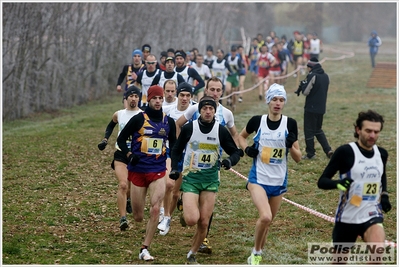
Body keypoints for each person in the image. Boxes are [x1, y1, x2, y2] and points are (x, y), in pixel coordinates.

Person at [170, 96, 243, 264]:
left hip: (210, 179)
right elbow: (176, 149)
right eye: (204, 109)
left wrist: (229, 161)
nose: (208, 111)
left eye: (211, 109)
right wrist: (175, 168)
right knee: (191, 220)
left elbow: (236, 152)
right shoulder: (190, 128)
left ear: (215, 111)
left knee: (204, 222)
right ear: (200, 111)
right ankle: (185, 203)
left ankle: (192, 254)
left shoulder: (220, 130)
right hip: (191, 178)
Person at [238, 83, 301, 265]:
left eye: (281, 100)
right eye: (274, 99)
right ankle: (256, 253)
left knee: (268, 222)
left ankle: (258, 251)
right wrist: (247, 149)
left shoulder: (290, 124)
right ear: (268, 101)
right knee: (265, 217)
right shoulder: (258, 121)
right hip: (258, 179)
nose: (278, 103)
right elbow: (241, 137)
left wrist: (291, 145)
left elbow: (298, 158)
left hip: (279, 181)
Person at [317, 110, 391, 264]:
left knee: (378, 255)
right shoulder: (345, 152)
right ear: (358, 130)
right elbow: (322, 181)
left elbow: (381, 175)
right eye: (368, 131)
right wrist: (338, 184)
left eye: (376, 132)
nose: (372, 135)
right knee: (339, 262)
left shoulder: (381, 154)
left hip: (371, 212)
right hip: (347, 217)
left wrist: (384, 195)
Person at [116, 85, 177, 261]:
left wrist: (173, 166)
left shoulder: (168, 122)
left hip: (158, 170)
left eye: (160, 98)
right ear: (148, 100)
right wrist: (129, 155)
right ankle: (131, 207)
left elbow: (173, 145)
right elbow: (121, 139)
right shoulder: (138, 119)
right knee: (138, 216)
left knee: (155, 208)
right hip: (138, 170)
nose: (158, 101)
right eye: (154, 98)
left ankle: (145, 248)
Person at [97, 86, 143, 231]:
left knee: (130, 185)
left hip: (136, 155)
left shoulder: (143, 115)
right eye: (131, 96)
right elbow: (111, 125)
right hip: (121, 154)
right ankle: (123, 218)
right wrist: (105, 140)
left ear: (139, 98)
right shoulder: (119, 114)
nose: (134, 98)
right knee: (123, 184)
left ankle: (128, 199)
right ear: (126, 98)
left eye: (136, 96)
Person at [158, 82, 195, 236]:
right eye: (182, 95)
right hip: (170, 152)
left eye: (188, 96)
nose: (184, 98)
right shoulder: (167, 110)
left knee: (175, 193)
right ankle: (165, 215)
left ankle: (168, 216)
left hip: (188, 156)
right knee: (168, 184)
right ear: (177, 96)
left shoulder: (196, 110)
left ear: (191, 97)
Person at [295, 57, 333, 160]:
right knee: (318, 130)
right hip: (321, 108)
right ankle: (328, 150)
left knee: (309, 130)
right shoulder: (325, 76)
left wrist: (302, 86)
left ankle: (310, 153)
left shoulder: (312, 75)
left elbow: (306, 92)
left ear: (310, 67)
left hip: (311, 108)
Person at [224, 45, 243, 111]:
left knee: (234, 93)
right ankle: (228, 99)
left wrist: (237, 69)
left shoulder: (238, 59)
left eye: (234, 51)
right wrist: (227, 71)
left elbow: (241, 68)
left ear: (236, 52)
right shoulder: (228, 58)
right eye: (232, 51)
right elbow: (225, 65)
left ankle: (233, 104)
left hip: (235, 77)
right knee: (228, 89)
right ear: (231, 51)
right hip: (229, 76)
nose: (233, 52)